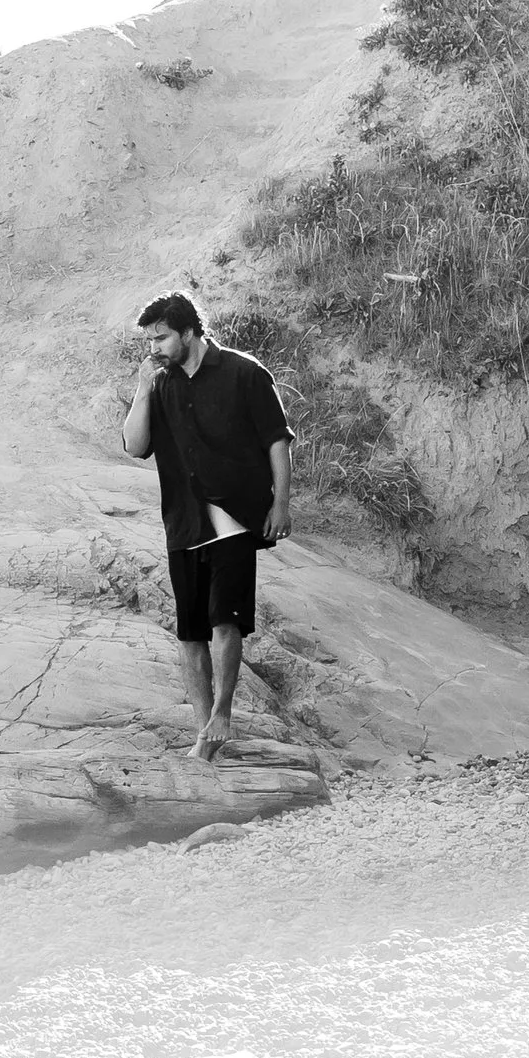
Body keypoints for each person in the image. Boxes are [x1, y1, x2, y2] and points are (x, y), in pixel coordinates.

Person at [120, 290, 293, 758]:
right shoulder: (161, 384)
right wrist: (141, 388)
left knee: (224, 622)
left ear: (190, 332)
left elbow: (277, 441)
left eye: (161, 338)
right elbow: (135, 447)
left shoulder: (244, 373)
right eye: (149, 339)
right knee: (189, 633)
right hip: (184, 521)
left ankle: (222, 715)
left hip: (236, 518)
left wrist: (281, 504)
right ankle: (204, 735)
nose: (153, 347)